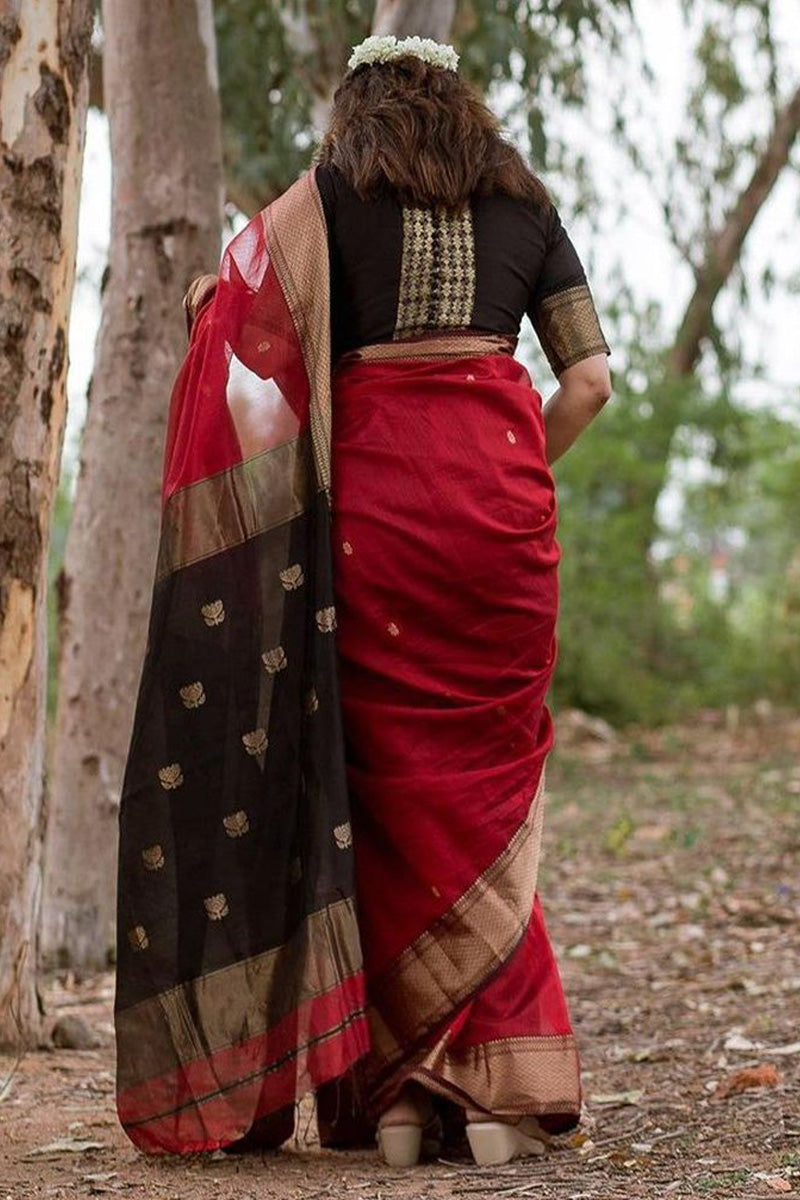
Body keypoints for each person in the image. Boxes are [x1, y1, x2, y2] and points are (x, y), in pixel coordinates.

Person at [113, 34, 611, 1170]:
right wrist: (515, 473)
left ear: (356, 112)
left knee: (384, 801)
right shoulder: (524, 200)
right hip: (502, 517)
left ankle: (397, 1103)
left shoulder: (322, 203)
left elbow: (241, 345)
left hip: (374, 520)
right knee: (487, 792)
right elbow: (587, 378)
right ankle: (498, 1091)